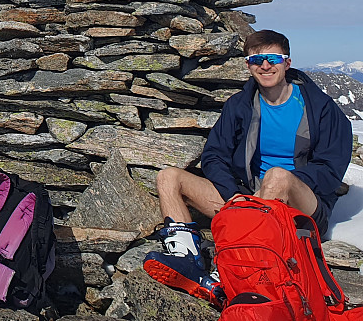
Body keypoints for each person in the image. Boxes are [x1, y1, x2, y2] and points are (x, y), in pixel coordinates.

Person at [143, 29, 352, 303]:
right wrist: (234, 196)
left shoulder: (320, 108)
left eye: (273, 58)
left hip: (303, 209)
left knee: (278, 177)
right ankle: (186, 259)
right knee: (169, 177)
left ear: (287, 63)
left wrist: (274, 190)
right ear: (248, 66)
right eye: (257, 60)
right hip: (248, 197)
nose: (265, 65)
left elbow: (330, 169)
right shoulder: (240, 105)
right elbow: (214, 155)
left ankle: (239, 272)